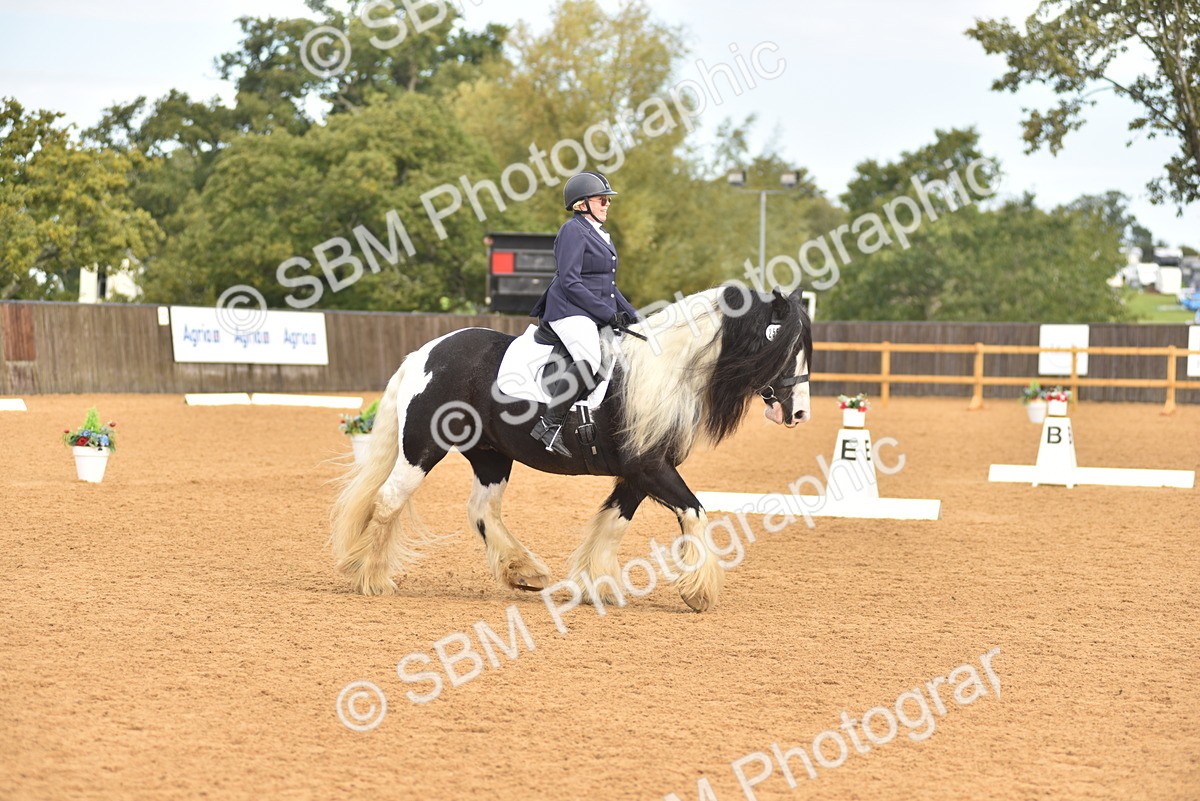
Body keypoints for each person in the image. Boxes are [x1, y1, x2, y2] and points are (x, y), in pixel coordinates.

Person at [528, 171, 639, 456]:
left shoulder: (599, 234)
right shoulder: (573, 230)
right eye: (602, 199)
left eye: (607, 200)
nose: (607, 204)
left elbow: (610, 288)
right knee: (590, 357)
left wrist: (634, 316)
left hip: (588, 310)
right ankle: (549, 425)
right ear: (581, 204)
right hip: (567, 309)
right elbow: (570, 281)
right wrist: (607, 313)